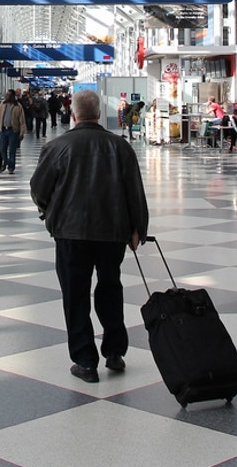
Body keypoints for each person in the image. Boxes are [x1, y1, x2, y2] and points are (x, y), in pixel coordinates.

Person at [30, 90, 149, 383]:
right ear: (98, 113)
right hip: (112, 232)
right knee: (110, 288)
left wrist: (49, 213)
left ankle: (85, 361)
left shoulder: (58, 146)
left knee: (75, 295)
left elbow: (38, 188)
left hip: (71, 233)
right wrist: (138, 229)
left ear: (73, 114)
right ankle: (115, 352)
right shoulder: (119, 147)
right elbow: (135, 192)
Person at [0, 89, 27, 173]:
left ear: (13, 96)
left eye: (9, 95)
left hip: (13, 131)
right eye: (6, 95)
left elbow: (22, 120)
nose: (7, 96)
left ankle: (11, 168)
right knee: (2, 149)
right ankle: (7, 162)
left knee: (12, 150)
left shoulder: (18, 106)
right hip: (3, 130)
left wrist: (22, 133)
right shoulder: (2, 105)